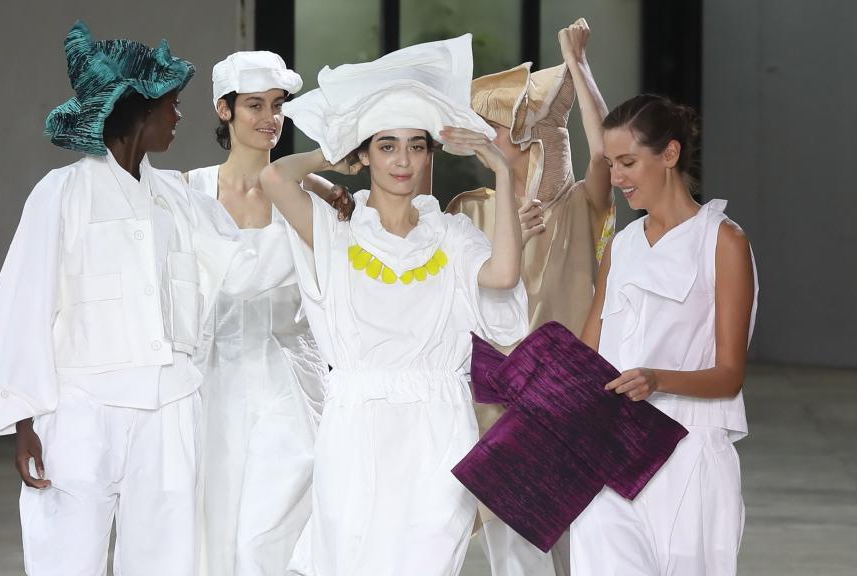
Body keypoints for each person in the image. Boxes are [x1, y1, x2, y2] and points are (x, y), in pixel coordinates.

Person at [0, 22, 296, 575]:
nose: (178, 115)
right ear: (137, 111)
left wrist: (320, 232)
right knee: (67, 555)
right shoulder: (61, 193)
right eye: (170, 103)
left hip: (167, 409)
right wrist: (23, 420)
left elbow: (241, 268)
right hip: (80, 410)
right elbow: (23, 303)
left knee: (166, 557)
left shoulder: (176, 198)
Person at [259, 35, 542, 576]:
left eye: (416, 145)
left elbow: (504, 275)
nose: (403, 160)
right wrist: (333, 150)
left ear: (430, 152)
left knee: (429, 558)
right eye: (386, 145)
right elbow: (275, 176)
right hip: (355, 425)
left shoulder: (453, 236)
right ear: (364, 155)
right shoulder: (336, 236)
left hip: (439, 428)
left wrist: (502, 171)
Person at [446, 18, 613, 576]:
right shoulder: (469, 209)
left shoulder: (574, 206)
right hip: (497, 397)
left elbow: (606, 155)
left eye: (501, 123)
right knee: (513, 549)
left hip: (569, 391)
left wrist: (580, 69)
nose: (494, 134)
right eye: (488, 124)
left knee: (580, 545)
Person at [571, 94, 758, 576]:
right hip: (610, 454)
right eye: (611, 164)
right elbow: (587, 356)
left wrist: (656, 379)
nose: (617, 178)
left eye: (628, 162)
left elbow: (729, 376)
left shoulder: (722, 241)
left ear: (669, 154)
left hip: (689, 457)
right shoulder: (622, 245)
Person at [183, 51, 349, 576]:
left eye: (278, 105)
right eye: (254, 105)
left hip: (293, 378)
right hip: (215, 380)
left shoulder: (313, 195)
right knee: (212, 526)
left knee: (277, 531)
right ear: (223, 109)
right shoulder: (187, 191)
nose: (269, 118)